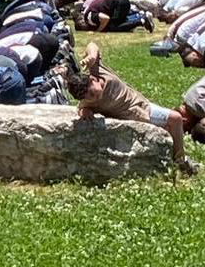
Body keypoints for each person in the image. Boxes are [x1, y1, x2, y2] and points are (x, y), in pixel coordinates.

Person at [67, 42, 193, 172]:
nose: (93, 97)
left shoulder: (98, 70)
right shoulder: (89, 102)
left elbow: (92, 45)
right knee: (175, 118)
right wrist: (85, 110)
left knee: (176, 119)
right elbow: (82, 108)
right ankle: (180, 161)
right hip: (138, 114)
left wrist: (92, 55)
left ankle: (179, 159)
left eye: (93, 92)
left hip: (143, 103)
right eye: (88, 97)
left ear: (93, 79)